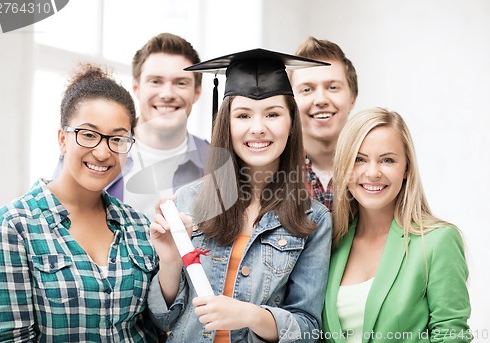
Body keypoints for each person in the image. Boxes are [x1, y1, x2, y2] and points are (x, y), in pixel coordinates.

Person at [147, 49, 333, 342]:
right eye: (243, 115)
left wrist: (250, 315)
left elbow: (308, 329)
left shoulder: (313, 220)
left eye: (272, 114)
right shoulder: (188, 202)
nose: (257, 128)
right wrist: (170, 261)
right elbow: (162, 319)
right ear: (227, 124)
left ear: (290, 123)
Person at [0, 65, 159, 341]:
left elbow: (158, 325)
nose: (103, 152)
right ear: (63, 139)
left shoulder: (138, 225)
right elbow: (10, 337)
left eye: (117, 139)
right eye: (89, 134)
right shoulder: (13, 226)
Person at [322, 108, 472, 342]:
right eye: (359, 159)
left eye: (387, 160)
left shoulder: (437, 241)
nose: (372, 172)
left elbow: (451, 335)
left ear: (406, 169)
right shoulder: (329, 242)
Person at [109, 32, 209, 219]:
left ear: (197, 92)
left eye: (181, 83)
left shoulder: (217, 165)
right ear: (137, 88)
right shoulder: (98, 154)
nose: (167, 94)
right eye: (155, 81)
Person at [290, 37, 358, 212]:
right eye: (307, 89)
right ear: (289, 102)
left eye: (333, 87)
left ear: (352, 98)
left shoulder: (374, 171)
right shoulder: (270, 173)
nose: (320, 100)